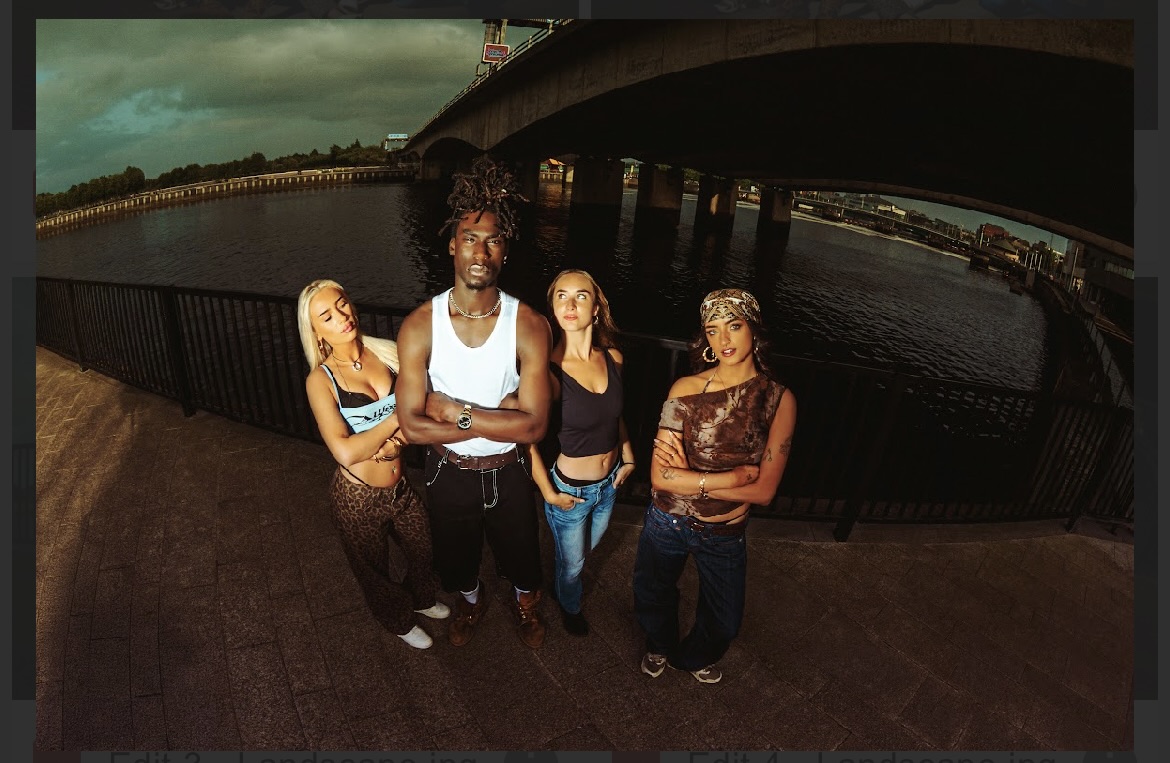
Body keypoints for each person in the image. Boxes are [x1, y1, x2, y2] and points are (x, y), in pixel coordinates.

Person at [395, 155, 553, 649]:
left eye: (493, 239)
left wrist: (457, 412)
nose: (481, 251)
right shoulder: (420, 325)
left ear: (505, 249)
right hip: (448, 470)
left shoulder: (529, 325)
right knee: (456, 559)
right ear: (452, 244)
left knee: (523, 555)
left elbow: (535, 428)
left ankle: (526, 605)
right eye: (470, 238)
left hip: (510, 469)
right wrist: (499, 419)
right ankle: (471, 601)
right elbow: (412, 428)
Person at [634, 288, 797, 683]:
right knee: (652, 593)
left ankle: (690, 658)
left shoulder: (778, 400)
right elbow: (659, 476)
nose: (723, 339)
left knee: (725, 621)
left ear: (753, 329)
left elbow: (764, 492)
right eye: (713, 330)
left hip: (725, 532)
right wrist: (733, 478)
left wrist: (689, 481)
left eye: (734, 326)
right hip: (667, 521)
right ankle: (659, 645)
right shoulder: (685, 389)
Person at [298, 279, 450, 650]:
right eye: (327, 316)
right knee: (374, 570)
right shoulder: (321, 380)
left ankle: (422, 598)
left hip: (400, 487)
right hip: (357, 498)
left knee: (425, 547)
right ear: (316, 332)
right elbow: (345, 451)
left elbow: (421, 409)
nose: (341, 316)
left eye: (342, 304)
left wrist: (396, 441)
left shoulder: (385, 353)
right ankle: (398, 620)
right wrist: (395, 420)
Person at [525, 269, 636, 637]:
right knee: (573, 565)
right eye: (562, 296)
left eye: (581, 296)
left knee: (584, 553)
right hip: (570, 492)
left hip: (609, 485)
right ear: (553, 308)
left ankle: (562, 580)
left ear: (596, 309)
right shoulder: (549, 372)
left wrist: (629, 456)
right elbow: (525, 439)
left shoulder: (613, 358)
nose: (570, 304)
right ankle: (568, 604)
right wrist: (548, 493)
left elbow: (614, 415)